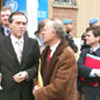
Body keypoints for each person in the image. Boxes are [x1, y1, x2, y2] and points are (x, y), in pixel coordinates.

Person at [33, 19, 77, 100]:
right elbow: (41, 75)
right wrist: (36, 86)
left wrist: (38, 93)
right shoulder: (46, 52)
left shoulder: (67, 54)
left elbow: (61, 87)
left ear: (54, 33)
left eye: (45, 30)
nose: (42, 33)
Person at [0, 11, 40, 100]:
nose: (21, 26)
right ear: (10, 25)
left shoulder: (33, 43)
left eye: (24, 24)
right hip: (6, 93)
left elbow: (37, 65)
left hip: (26, 93)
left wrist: (27, 74)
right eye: (18, 23)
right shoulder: (1, 44)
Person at [78, 26, 100, 100]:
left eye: (89, 36)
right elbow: (79, 68)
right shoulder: (84, 52)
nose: (86, 38)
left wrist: (86, 72)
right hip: (82, 90)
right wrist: (94, 71)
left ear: (97, 38)